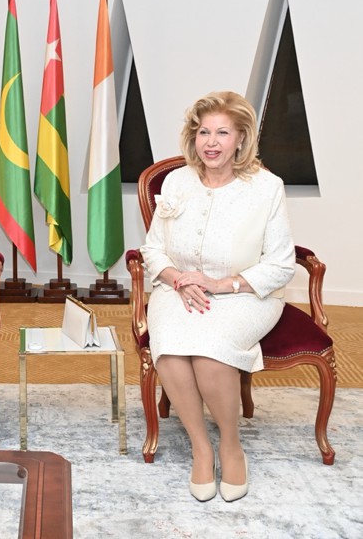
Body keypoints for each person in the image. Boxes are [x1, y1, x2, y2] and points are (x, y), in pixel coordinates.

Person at [140, 91, 295, 503]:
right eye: (203, 132)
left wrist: (221, 284)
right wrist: (178, 279)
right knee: (170, 348)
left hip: (246, 292)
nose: (211, 142)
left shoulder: (267, 188)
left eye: (222, 133)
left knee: (210, 353)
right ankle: (201, 448)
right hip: (178, 288)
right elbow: (152, 249)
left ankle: (230, 444)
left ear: (241, 138)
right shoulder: (177, 182)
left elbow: (281, 264)